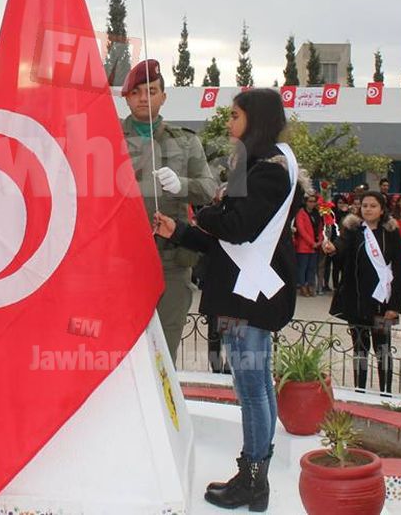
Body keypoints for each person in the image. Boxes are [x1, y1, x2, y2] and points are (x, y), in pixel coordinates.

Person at [153, 88, 301, 510]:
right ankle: (255, 476)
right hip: (242, 291)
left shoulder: (268, 171)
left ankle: (253, 480)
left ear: (256, 120)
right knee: (256, 386)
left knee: (252, 389)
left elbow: (236, 228)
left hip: (248, 298)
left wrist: (201, 209)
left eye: (235, 115)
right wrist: (180, 232)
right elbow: (226, 240)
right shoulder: (251, 165)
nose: (229, 122)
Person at [121, 59, 217, 361]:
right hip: (120, 261)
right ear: (126, 98)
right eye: (136, 92)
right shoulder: (107, 137)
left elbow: (209, 188)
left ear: (163, 96)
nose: (143, 98)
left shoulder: (185, 141)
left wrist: (181, 185)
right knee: (121, 352)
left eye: (151, 91)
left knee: (164, 350)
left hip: (171, 261)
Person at [324, 191, 401, 394]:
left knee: (383, 348)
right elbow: (341, 250)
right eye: (365, 206)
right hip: (357, 302)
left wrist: (395, 306)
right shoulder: (353, 230)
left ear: (382, 209)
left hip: (382, 302)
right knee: (360, 348)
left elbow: (400, 269)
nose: (368, 209)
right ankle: (360, 392)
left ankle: (385, 392)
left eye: (373, 206)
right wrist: (333, 249)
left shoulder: (391, 232)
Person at [293, 194, 321, 297]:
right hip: (304, 246)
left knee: (312, 268)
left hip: (315, 246)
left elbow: (320, 228)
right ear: (305, 202)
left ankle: (310, 285)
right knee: (303, 268)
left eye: (314, 201)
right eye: (310, 201)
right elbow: (301, 230)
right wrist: (312, 242)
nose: (312, 203)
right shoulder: (301, 213)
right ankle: (302, 286)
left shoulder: (317, 213)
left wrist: (320, 240)